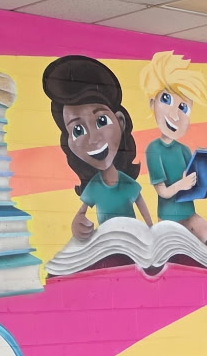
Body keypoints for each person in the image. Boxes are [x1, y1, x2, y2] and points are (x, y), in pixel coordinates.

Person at [43, 55, 145, 240]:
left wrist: (151, 228)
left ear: (120, 122)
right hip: (106, 242)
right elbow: (80, 213)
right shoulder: (94, 186)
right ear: (69, 144)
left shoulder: (126, 182)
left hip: (133, 239)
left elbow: (140, 203)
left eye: (101, 121)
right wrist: (77, 224)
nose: (93, 138)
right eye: (78, 130)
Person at [139, 51, 207, 248]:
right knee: (179, 254)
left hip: (189, 215)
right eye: (166, 99)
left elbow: (196, 188)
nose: (175, 114)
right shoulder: (154, 149)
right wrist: (180, 185)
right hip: (168, 219)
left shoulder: (183, 149)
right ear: (152, 104)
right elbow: (163, 192)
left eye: (184, 108)